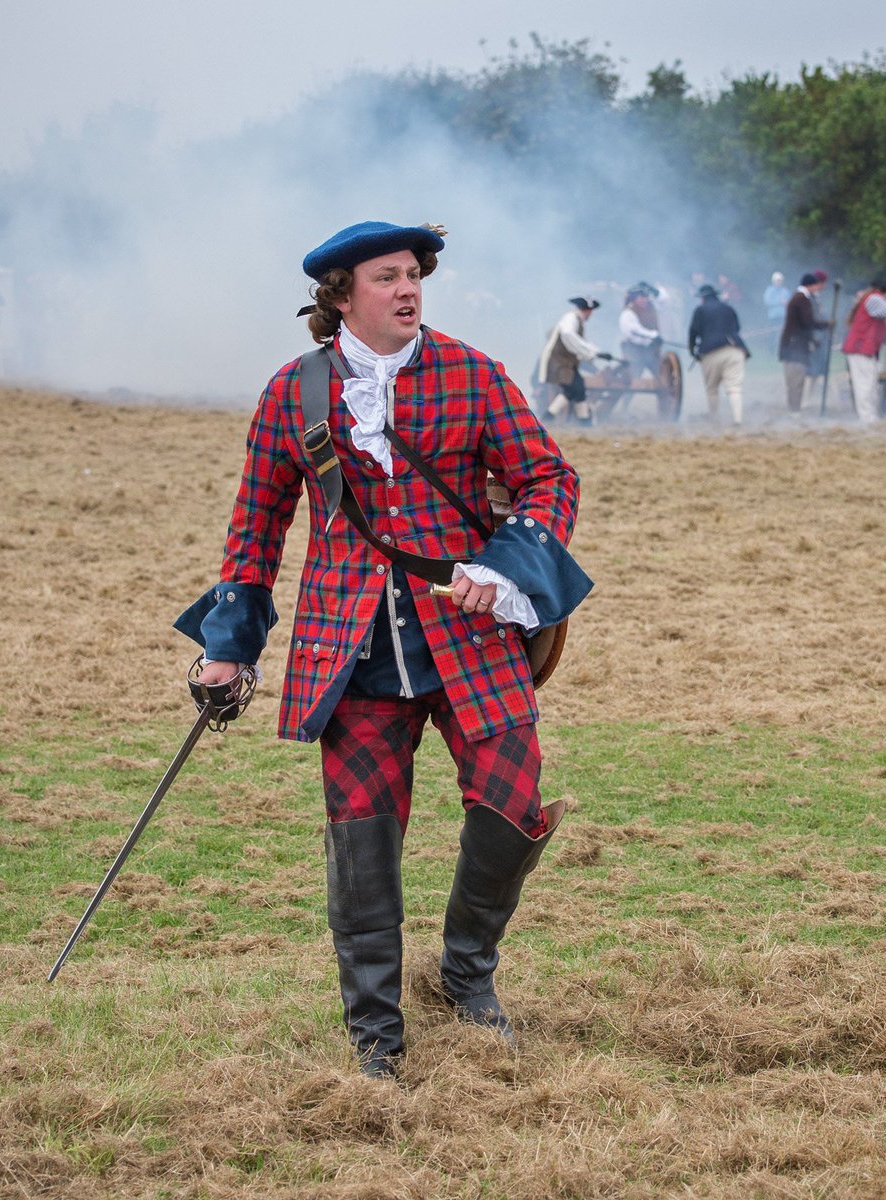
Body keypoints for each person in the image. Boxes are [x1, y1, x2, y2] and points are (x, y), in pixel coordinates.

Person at [174, 220, 593, 1080]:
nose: (407, 290)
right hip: (350, 644)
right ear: (339, 296)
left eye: (413, 275)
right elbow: (256, 524)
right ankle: (375, 1032)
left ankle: (467, 977)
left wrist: (501, 564)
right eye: (386, 278)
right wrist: (229, 648)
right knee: (362, 834)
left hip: (470, 636)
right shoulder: (293, 393)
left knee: (513, 806)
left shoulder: (470, 373)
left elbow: (550, 478)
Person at [841, 280, 886, 425]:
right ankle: (866, 417)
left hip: (866, 349)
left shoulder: (871, 299)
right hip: (860, 349)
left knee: (870, 384)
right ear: (885, 293)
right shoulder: (874, 299)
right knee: (864, 385)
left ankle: (870, 416)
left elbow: (885, 327)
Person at [538, 295, 611, 425]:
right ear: (588, 310)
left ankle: (550, 417)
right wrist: (591, 353)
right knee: (576, 388)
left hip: (566, 362)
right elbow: (569, 336)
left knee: (576, 389)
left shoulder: (578, 321)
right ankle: (582, 421)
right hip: (558, 361)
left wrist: (598, 353)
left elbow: (583, 342)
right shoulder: (570, 318)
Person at [688, 283, 750, 425]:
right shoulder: (728, 308)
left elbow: (693, 333)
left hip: (711, 353)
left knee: (712, 388)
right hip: (735, 351)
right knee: (734, 388)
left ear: (702, 298)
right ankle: (737, 420)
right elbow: (737, 328)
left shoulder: (700, 310)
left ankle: (714, 419)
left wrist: (693, 351)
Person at [778, 271, 830, 414]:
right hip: (796, 345)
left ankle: (795, 410)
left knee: (796, 381)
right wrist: (826, 324)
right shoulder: (802, 299)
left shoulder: (799, 297)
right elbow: (807, 322)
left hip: (794, 344)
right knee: (796, 381)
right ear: (811, 286)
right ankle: (795, 411)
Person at [618, 284, 662, 379]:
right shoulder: (628, 313)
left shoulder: (651, 309)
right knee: (632, 381)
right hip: (634, 352)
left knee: (661, 377)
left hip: (651, 351)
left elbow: (663, 299)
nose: (644, 300)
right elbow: (634, 331)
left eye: (646, 297)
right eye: (641, 298)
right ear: (634, 299)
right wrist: (653, 336)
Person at [762, 271, 790, 353]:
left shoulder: (785, 291)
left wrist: (786, 303)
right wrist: (779, 302)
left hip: (783, 316)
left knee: (782, 334)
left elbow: (789, 302)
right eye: (777, 281)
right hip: (773, 316)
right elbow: (767, 302)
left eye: (780, 281)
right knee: (772, 334)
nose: (779, 282)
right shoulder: (769, 290)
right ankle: (770, 350)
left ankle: (782, 350)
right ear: (774, 281)